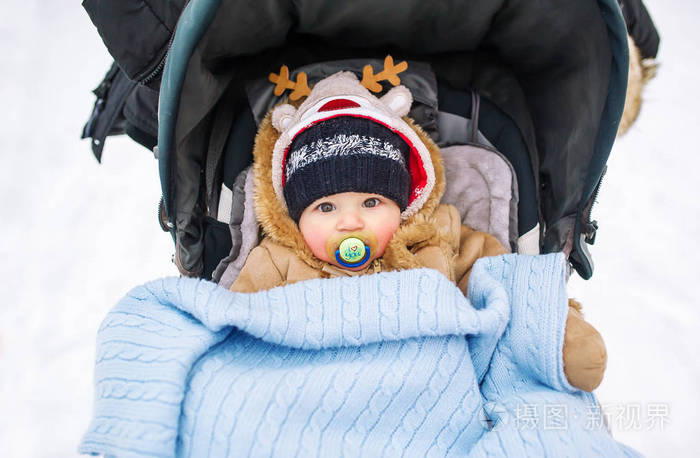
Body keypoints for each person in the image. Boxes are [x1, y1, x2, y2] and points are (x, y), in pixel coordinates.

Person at [230, 71, 606, 391]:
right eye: (325, 208)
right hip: (319, 388)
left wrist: (555, 333)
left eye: (371, 203)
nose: (349, 222)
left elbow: (511, 287)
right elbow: (238, 329)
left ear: (404, 201)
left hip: (433, 385)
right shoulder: (275, 262)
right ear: (295, 218)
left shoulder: (441, 237)